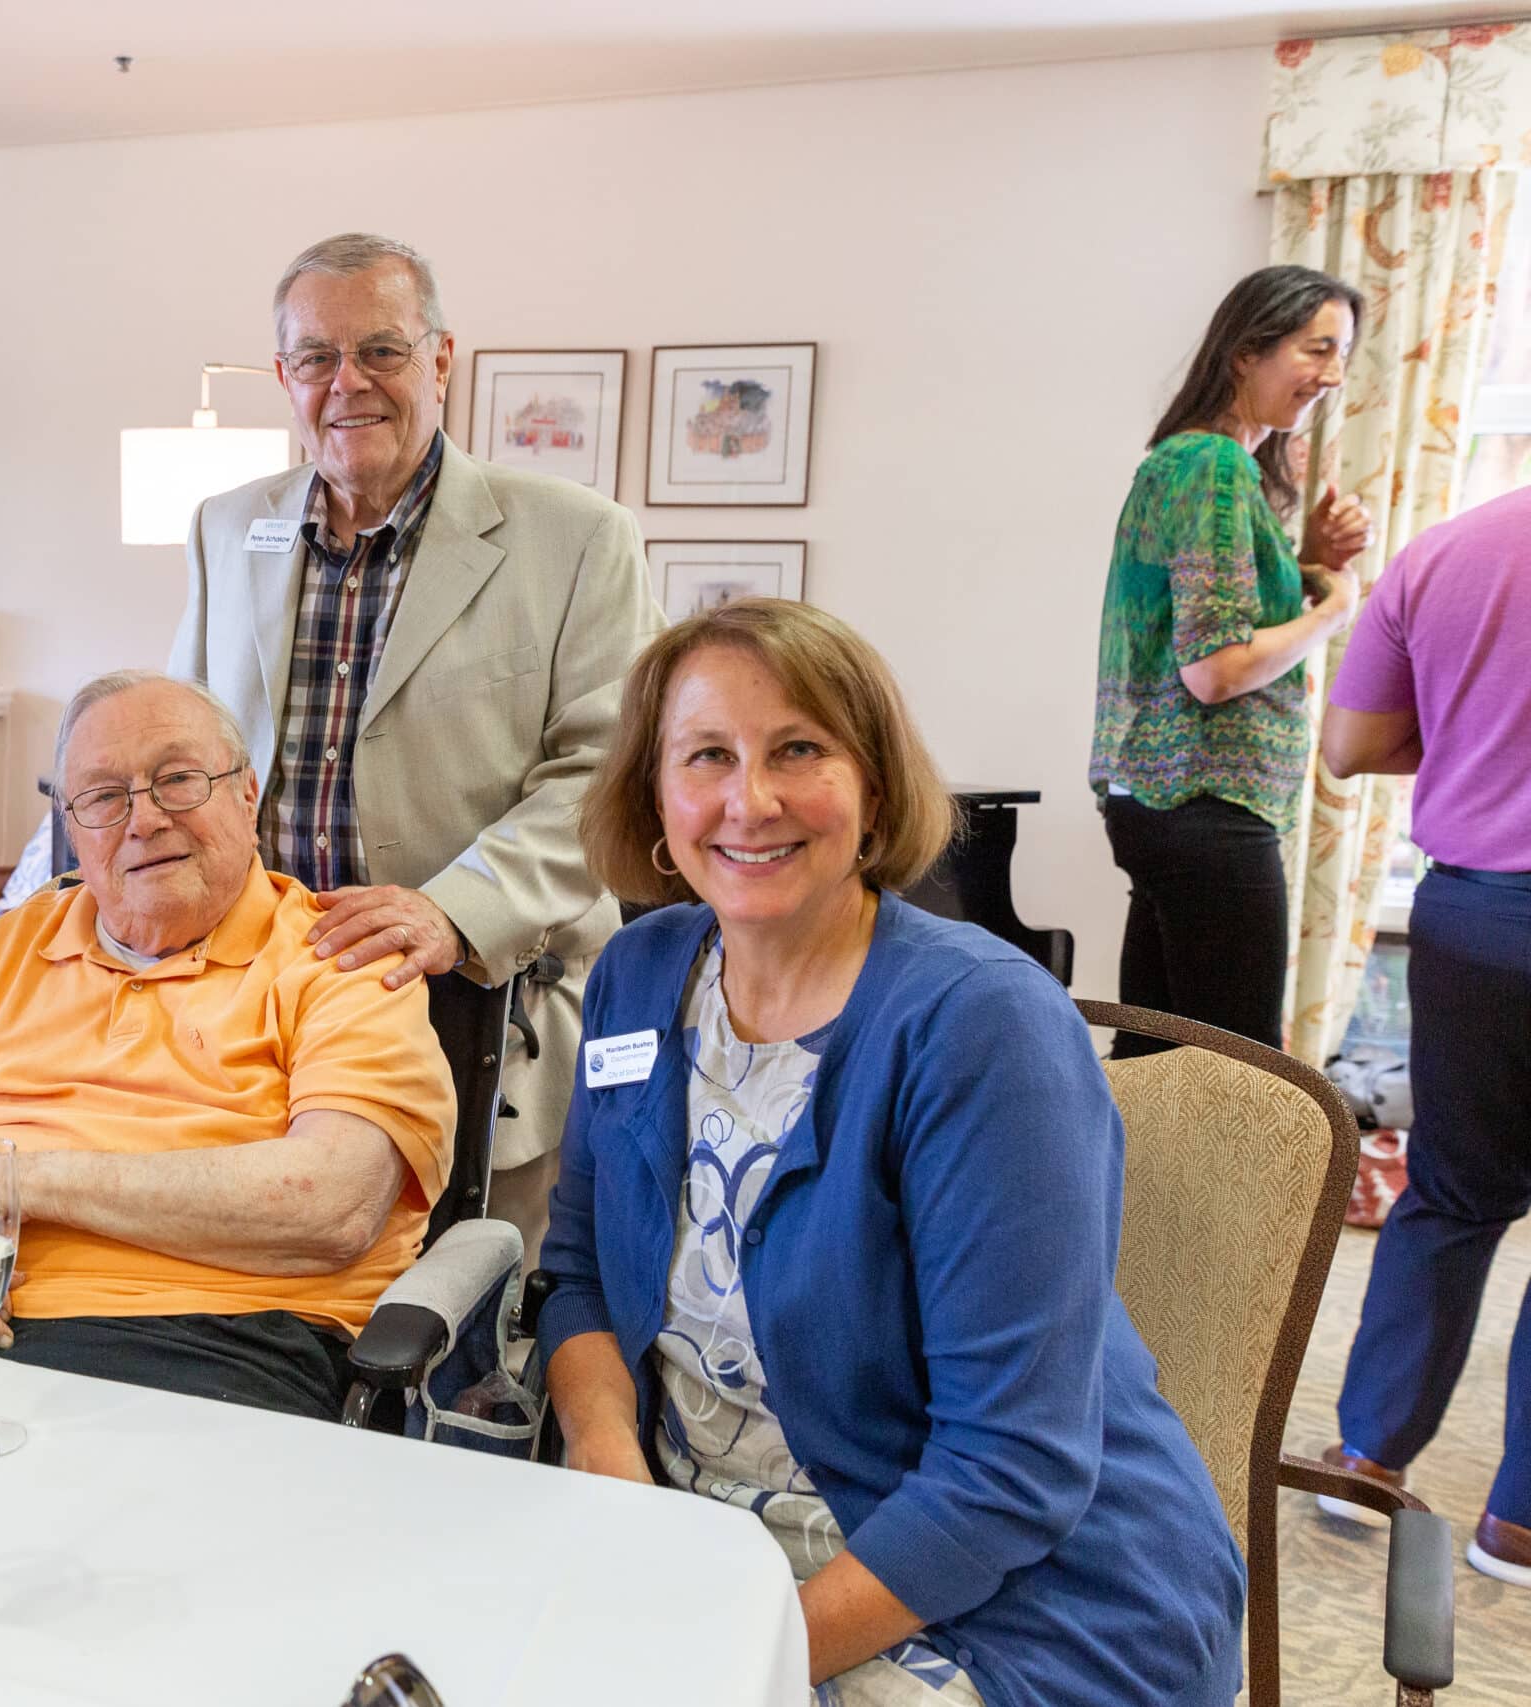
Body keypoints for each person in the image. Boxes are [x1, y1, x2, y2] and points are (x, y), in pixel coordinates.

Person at [543, 601, 1243, 1705]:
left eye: (798, 750)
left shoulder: (979, 1027)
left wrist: (725, 1667)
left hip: (995, 1594)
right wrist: (607, 1458)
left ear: (871, 788)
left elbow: (1007, 1473)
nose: (750, 800)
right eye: (708, 756)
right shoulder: (636, 974)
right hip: (703, 1547)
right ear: (653, 797)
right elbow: (577, 1270)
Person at [170, 232, 660, 1252]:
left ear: (441, 360)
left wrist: (450, 911)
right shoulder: (226, 527)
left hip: (477, 1008)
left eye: (381, 351)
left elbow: (607, 772)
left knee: (468, 1326)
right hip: (256, 1014)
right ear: (284, 375)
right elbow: (183, 745)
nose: (347, 383)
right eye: (316, 357)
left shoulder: (574, 537)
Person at [0, 671, 456, 1421]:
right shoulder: (3, 953)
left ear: (248, 795)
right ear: (73, 830)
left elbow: (334, 1202)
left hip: (219, 1350)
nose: (143, 820)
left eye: (178, 780)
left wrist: (10, 1182)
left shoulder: (339, 956)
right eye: (105, 798)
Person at [1318, 481, 1531, 1588]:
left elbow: (1350, 744)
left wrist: (1479, 733)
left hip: (1476, 918)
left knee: (1450, 1193)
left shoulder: (1448, 549)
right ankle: (1521, 1525)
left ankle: (1366, 1458)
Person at [1088, 264, 1374, 1053]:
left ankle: (1129, 1185)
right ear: (1247, 351)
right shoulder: (1211, 466)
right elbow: (1216, 668)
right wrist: (1336, 605)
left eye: (1342, 354)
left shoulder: (1197, 466)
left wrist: (1308, 562)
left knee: (1160, 1064)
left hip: (1171, 800)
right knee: (1244, 1080)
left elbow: (1224, 629)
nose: (1332, 374)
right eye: (1317, 349)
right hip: (1204, 799)